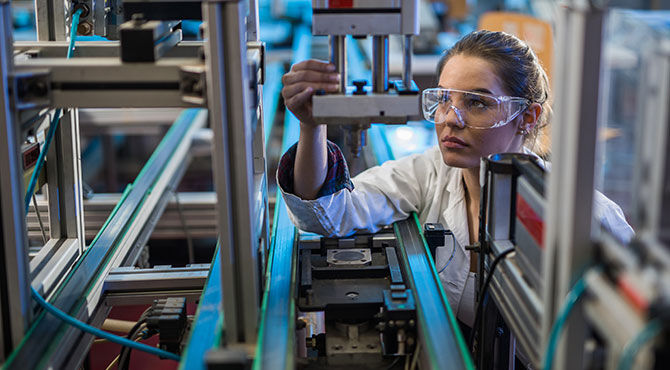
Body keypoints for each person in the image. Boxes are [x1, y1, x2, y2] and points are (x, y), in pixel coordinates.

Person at [277, 30, 633, 327]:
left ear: (527, 116)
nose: (451, 118)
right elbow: (328, 213)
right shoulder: (429, 173)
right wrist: (312, 124)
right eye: (444, 99)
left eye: (477, 103)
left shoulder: (591, 219)